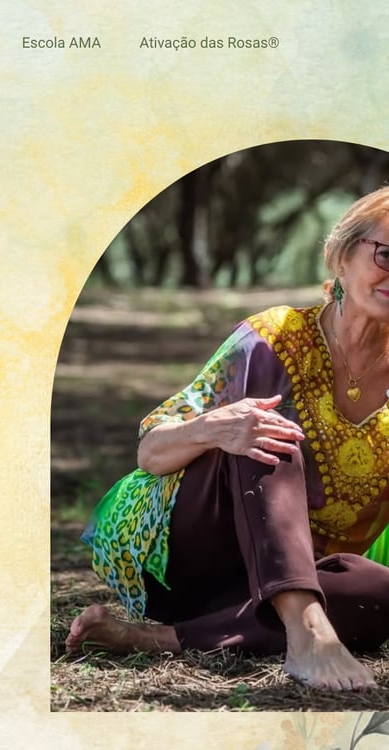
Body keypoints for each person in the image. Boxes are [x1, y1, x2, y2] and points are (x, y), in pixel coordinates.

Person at [67, 186, 389, 692]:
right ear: (341, 258)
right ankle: (307, 631)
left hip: (287, 585)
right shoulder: (272, 339)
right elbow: (151, 452)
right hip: (195, 560)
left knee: (381, 592)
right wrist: (215, 426)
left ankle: (155, 638)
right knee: (266, 429)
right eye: (386, 255)